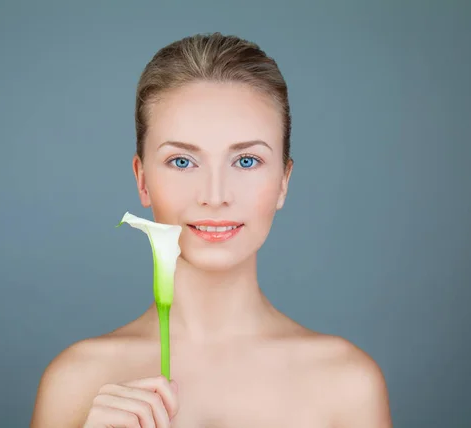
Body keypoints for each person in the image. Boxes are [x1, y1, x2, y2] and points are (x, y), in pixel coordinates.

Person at [30, 32, 392, 428]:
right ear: (143, 180)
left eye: (247, 161)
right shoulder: (76, 383)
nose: (215, 196)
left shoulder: (348, 385)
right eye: (183, 162)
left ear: (284, 182)